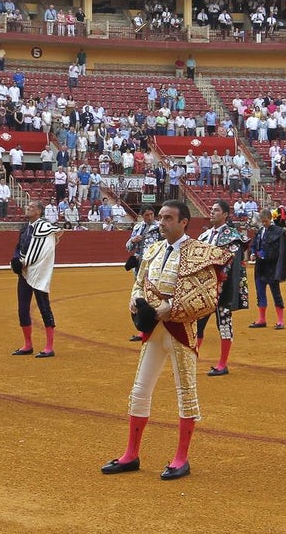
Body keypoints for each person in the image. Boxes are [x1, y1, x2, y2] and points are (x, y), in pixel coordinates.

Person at [101, 200, 232, 481]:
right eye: (160, 218)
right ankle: (131, 454)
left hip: (181, 331)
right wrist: (136, 303)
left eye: (169, 218)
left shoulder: (201, 253)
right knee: (139, 390)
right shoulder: (153, 249)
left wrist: (168, 309)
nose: (162, 223)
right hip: (153, 331)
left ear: (184, 221)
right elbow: (139, 283)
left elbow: (209, 298)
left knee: (186, 393)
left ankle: (181, 458)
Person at [195, 200, 249, 376]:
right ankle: (190, 362)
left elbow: (230, 263)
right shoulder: (204, 236)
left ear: (225, 215)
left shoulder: (233, 236)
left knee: (224, 325)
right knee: (197, 326)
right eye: (211, 210)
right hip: (204, 289)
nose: (212, 212)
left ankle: (222, 364)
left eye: (216, 210)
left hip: (222, 289)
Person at [11, 200, 63, 358]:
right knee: (22, 309)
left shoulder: (45, 227)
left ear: (39, 212)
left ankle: (49, 346)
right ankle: (28, 344)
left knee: (44, 308)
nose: (28, 208)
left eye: (32, 207)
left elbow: (45, 252)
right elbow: (19, 248)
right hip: (24, 273)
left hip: (39, 272)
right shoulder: (25, 229)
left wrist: (25, 262)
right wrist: (16, 261)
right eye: (28, 206)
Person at [248, 207, 286, 328]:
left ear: (270, 219)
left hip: (272, 267)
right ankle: (261, 319)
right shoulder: (260, 232)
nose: (264, 223)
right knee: (260, 292)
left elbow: (280, 251)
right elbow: (254, 245)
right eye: (262, 221)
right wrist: (253, 253)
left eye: (266, 221)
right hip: (260, 267)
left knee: (276, 293)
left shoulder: (278, 232)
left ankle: (280, 321)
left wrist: (266, 255)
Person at [124, 205, 162, 341]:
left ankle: (156, 328)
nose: (150, 217)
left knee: (153, 296)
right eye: (147, 215)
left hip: (154, 268)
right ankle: (143, 328)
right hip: (139, 268)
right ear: (142, 216)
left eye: (152, 214)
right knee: (139, 296)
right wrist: (133, 241)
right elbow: (128, 247)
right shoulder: (137, 227)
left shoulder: (159, 227)